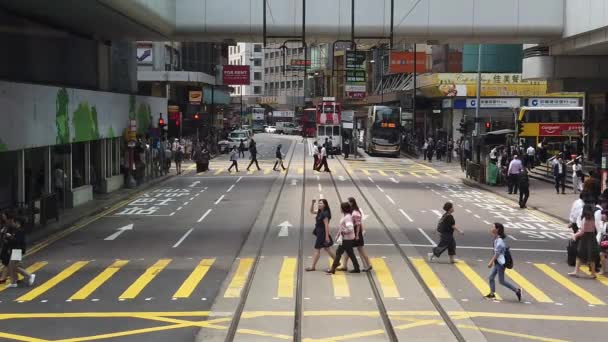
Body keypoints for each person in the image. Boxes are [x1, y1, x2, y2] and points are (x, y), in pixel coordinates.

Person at [485, 223, 522, 301]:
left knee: (501, 281)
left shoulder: (500, 241)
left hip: (501, 263)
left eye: (493, 227)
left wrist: (491, 262)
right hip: (498, 262)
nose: (492, 228)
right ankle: (492, 294)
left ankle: (517, 290)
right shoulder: (497, 238)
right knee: (491, 277)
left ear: (497, 229)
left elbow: (497, 254)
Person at [337, 198, 372, 272]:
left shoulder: (355, 212)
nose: (347, 203)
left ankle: (368, 265)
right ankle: (344, 266)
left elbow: (358, 224)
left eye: (348, 202)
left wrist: (357, 235)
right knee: (348, 249)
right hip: (354, 232)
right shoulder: (352, 211)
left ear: (352, 203)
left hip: (356, 233)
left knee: (360, 249)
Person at [326, 202, 361, 274]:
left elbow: (350, 228)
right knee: (350, 253)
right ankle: (357, 268)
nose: (340, 209)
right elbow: (342, 227)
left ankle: (333, 269)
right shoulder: (346, 215)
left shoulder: (347, 217)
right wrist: (338, 234)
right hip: (347, 238)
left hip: (347, 239)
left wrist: (343, 232)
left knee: (338, 252)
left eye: (341, 208)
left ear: (343, 209)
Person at [569, 204, 601, 278]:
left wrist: (575, 235)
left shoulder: (584, 219)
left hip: (585, 239)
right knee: (591, 256)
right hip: (592, 237)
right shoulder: (593, 218)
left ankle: (576, 272)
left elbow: (582, 231)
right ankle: (593, 273)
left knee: (579, 254)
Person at [3, 216, 35, 288]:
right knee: (12, 266)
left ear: (18, 223)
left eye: (14, 222)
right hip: (15, 249)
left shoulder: (20, 231)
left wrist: (10, 237)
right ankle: (14, 282)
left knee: (13, 266)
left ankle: (29, 276)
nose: (13, 223)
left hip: (17, 250)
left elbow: (17, 241)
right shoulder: (17, 230)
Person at [305, 199, 336, 271]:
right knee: (327, 249)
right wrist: (312, 203)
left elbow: (326, 226)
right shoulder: (320, 211)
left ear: (325, 205)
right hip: (320, 232)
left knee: (317, 249)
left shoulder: (325, 214)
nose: (319, 205)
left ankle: (312, 266)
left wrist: (327, 237)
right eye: (319, 204)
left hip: (322, 233)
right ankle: (337, 261)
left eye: (321, 204)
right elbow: (312, 211)